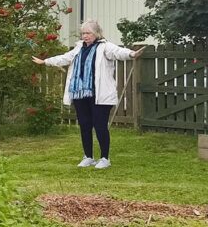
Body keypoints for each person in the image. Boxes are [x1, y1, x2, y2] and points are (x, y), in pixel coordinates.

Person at [32, 20, 144, 169]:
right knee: (85, 125)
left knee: (100, 126)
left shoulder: (104, 47)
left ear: (96, 33)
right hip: (81, 94)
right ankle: (88, 157)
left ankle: (105, 158)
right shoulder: (78, 49)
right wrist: (45, 62)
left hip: (100, 95)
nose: (85, 36)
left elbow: (118, 52)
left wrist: (132, 54)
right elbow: (64, 58)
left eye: (88, 33)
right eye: (83, 33)